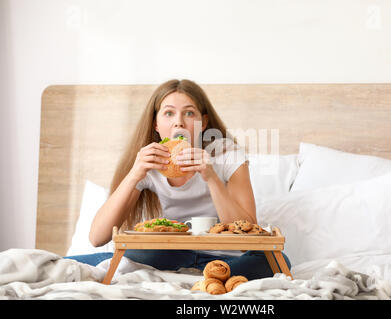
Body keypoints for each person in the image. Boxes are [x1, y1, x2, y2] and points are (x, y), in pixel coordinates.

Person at [65, 79, 291, 280]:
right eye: (169, 113)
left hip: (227, 259)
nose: (179, 122)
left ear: (203, 123)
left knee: (275, 261)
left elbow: (247, 235)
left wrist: (211, 177)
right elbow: (97, 237)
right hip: (168, 256)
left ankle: (208, 275)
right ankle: (207, 279)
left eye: (189, 113)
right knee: (117, 254)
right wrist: (135, 173)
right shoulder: (149, 163)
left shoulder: (226, 154)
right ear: (156, 124)